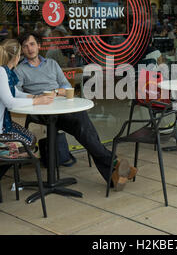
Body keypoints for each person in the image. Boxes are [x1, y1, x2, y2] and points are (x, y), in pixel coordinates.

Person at [14, 31, 136, 191]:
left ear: (38, 45)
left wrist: (56, 92)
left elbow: (66, 86)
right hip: (41, 111)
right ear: (22, 50)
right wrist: (36, 97)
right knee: (82, 127)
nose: (29, 49)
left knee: (81, 123)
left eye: (32, 44)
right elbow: (16, 92)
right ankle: (114, 164)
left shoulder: (51, 64)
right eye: (25, 46)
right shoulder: (20, 69)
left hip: (61, 106)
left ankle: (113, 174)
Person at [0, 39, 54, 194]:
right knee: (27, 140)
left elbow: (14, 93)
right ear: (16, 57)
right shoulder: (0, 72)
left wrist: (33, 97)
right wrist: (37, 101)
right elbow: (10, 102)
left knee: (29, 137)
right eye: (20, 54)